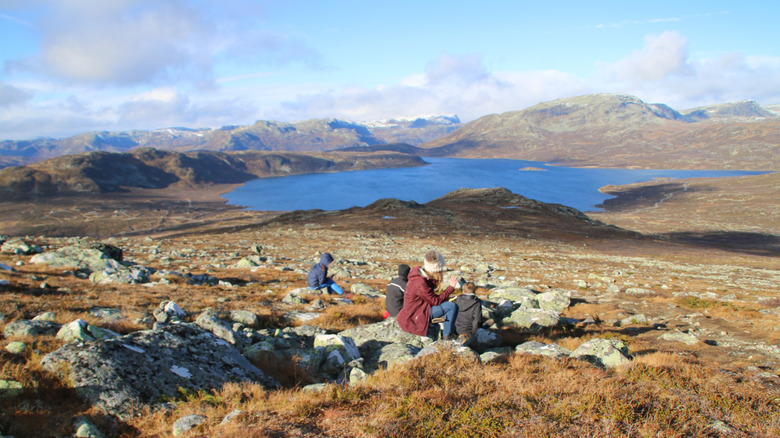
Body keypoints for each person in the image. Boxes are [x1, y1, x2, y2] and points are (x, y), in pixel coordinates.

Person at [396, 250, 460, 340]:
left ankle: (447, 333)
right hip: (416, 314)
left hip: (419, 309)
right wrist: (451, 287)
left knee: (449, 304)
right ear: (436, 269)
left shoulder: (420, 275)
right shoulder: (420, 282)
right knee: (452, 307)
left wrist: (445, 297)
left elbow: (429, 297)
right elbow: (435, 301)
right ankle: (447, 338)